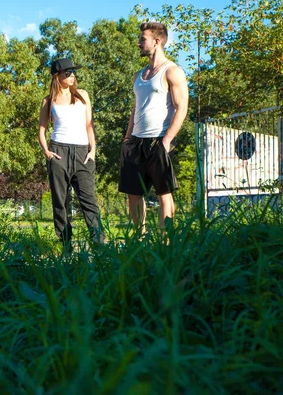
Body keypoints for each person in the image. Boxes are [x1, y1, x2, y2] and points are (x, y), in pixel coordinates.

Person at [119, 22, 189, 233]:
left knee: (163, 193)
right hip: (136, 141)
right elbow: (135, 108)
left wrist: (167, 140)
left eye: (143, 39)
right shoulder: (139, 75)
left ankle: (166, 244)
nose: (139, 43)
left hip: (158, 139)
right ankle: (138, 242)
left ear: (157, 41)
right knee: (133, 194)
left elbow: (182, 107)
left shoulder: (172, 71)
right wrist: (127, 137)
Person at [38, 58, 104, 249]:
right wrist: (47, 152)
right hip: (58, 151)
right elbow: (42, 130)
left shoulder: (82, 95)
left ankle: (99, 244)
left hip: (83, 153)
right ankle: (66, 245)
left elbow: (89, 126)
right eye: (68, 72)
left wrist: (93, 151)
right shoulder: (48, 100)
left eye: (73, 72)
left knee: (88, 201)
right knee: (61, 202)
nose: (72, 75)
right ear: (57, 76)